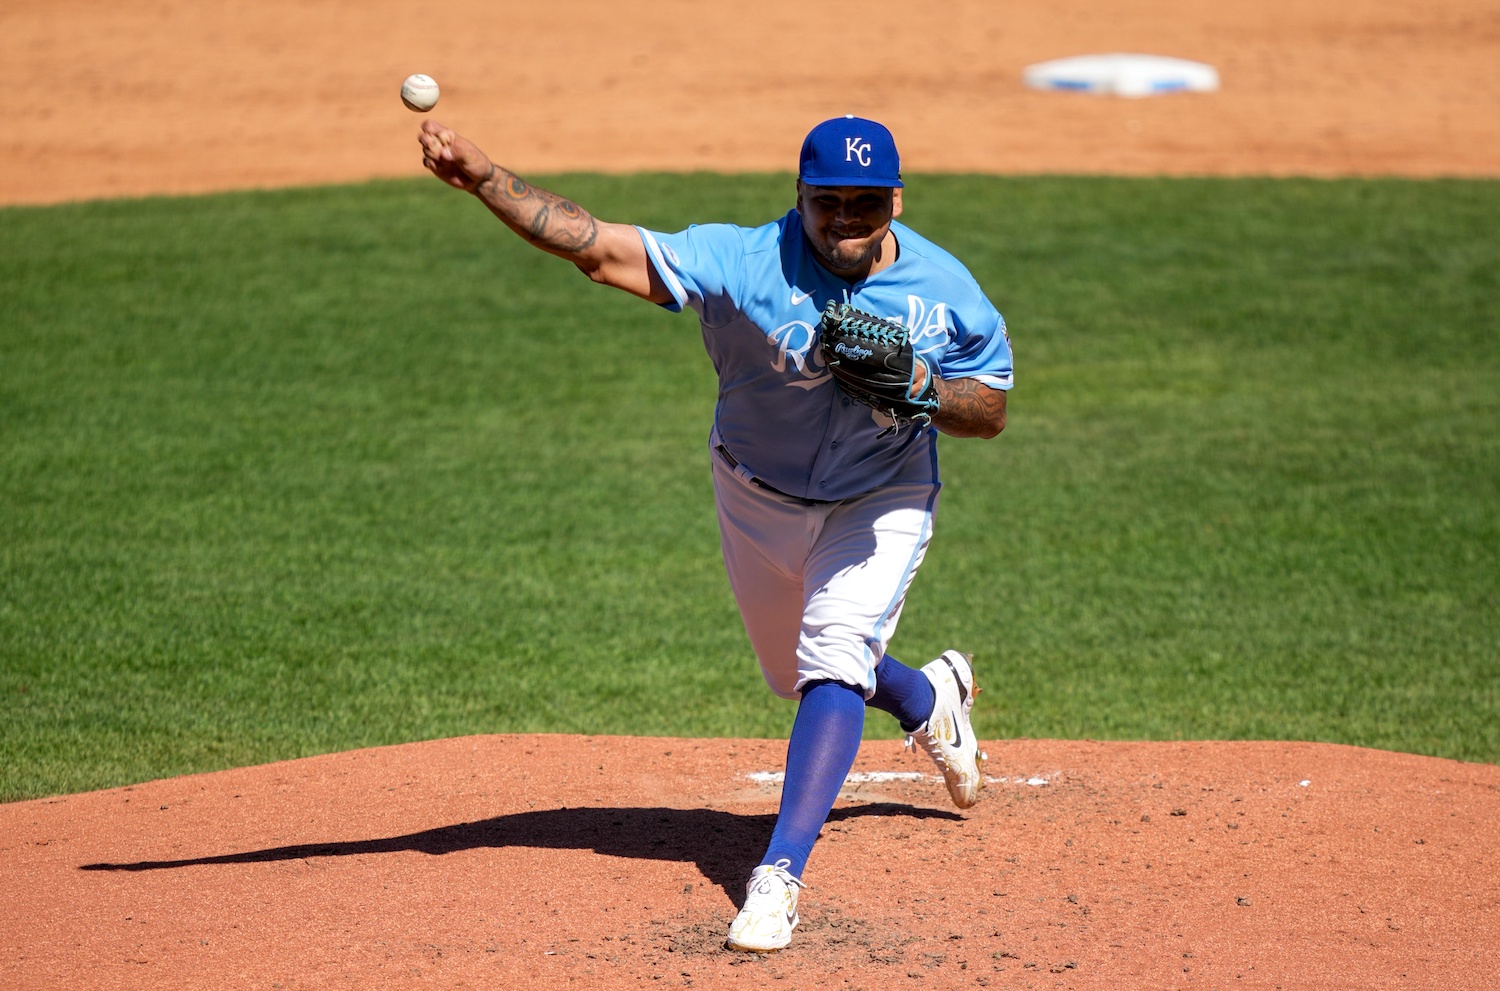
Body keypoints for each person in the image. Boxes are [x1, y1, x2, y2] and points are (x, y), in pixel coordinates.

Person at [418, 114, 1012, 952]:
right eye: (827, 201)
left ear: (897, 199)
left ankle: (778, 876)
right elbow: (594, 246)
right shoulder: (740, 261)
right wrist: (487, 180)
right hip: (753, 494)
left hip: (882, 494)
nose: (846, 219)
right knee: (797, 668)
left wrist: (923, 387)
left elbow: (988, 407)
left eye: (866, 203)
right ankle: (930, 696)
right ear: (798, 195)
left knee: (834, 651)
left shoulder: (944, 286)